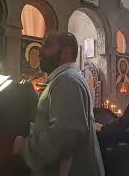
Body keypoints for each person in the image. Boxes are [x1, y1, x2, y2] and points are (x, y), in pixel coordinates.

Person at [12, 32, 105, 176]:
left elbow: (61, 139)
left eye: (48, 45)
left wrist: (24, 146)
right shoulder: (66, 79)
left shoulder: (66, 82)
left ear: (65, 53)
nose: (41, 51)